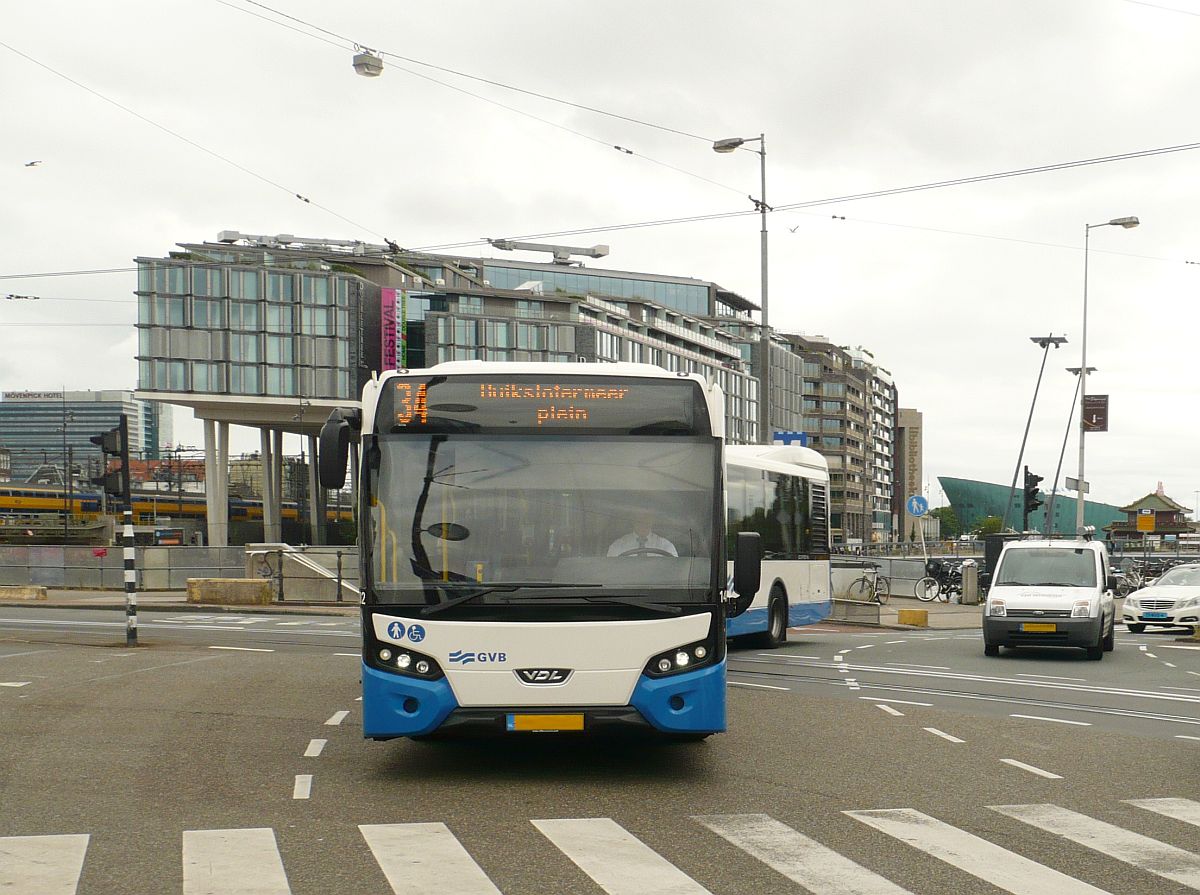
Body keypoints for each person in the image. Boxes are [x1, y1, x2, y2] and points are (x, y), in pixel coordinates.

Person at [607, 510, 677, 557]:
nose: (643, 521)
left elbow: (675, 570)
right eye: (639, 518)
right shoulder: (618, 546)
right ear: (632, 520)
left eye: (647, 517)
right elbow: (609, 571)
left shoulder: (665, 546)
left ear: (653, 520)